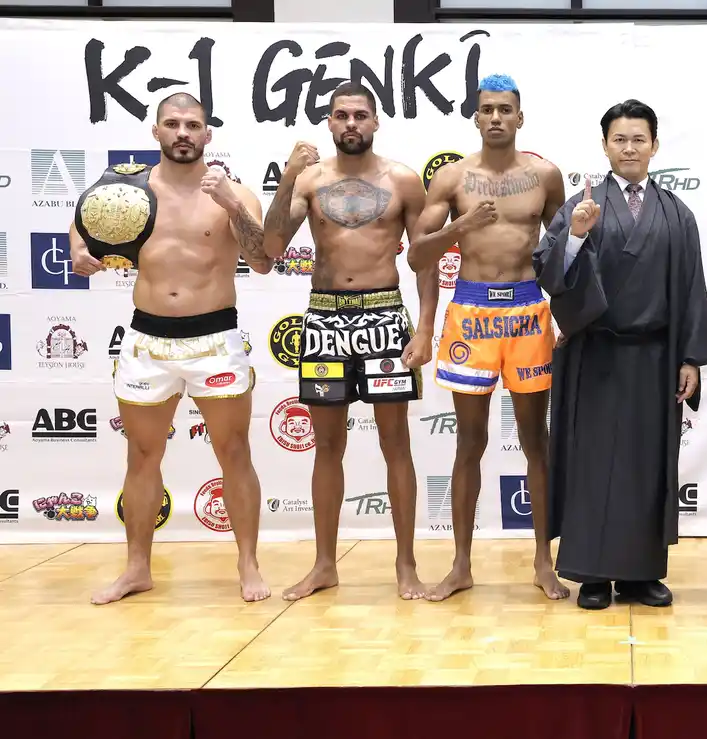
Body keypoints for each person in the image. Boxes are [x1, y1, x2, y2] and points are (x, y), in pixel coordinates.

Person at [69, 92, 273, 604]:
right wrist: (77, 248)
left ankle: (248, 564)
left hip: (215, 338)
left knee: (234, 451)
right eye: (174, 124)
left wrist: (231, 205)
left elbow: (263, 259)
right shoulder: (128, 190)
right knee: (142, 455)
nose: (183, 133)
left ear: (208, 134)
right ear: (156, 131)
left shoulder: (235, 193)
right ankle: (137, 568)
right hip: (148, 339)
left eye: (193, 125)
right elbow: (84, 219)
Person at [532, 99, 707, 610]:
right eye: (620, 139)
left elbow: (692, 287)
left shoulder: (676, 213)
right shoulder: (581, 206)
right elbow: (547, 269)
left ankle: (640, 573)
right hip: (595, 353)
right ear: (605, 146)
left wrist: (689, 358)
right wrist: (575, 236)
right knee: (591, 461)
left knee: (646, 464)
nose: (629, 148)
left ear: (654, 145)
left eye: (639, 139)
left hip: (654, 357)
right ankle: (591, 573)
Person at [263, 81, 433, 601]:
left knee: (395, 443)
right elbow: (272, 244)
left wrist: (426, 327)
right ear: (329, 123)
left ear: (375, 121)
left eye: (360, 115)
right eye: (341, 115)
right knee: (327, 447)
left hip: (384, 318)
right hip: (325, 320)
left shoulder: (403, 180)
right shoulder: (310, 179)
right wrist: (288, 176)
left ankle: (406, 565)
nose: (351, 123)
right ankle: (323, 565)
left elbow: (424, 258)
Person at [406, 74, 569, 602]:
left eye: (505, 109)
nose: (496, 117)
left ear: (520, 117)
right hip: (471, 313)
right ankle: (460, 566)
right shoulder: (452, 178)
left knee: (535, 441)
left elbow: (566, 253)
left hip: (526, 312)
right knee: (469, 443)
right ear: (476, 118)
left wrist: (569, 316)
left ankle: (544, 561)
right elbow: (417, 256)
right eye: (488, 109)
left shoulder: (545, 176)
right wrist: (460, 227)